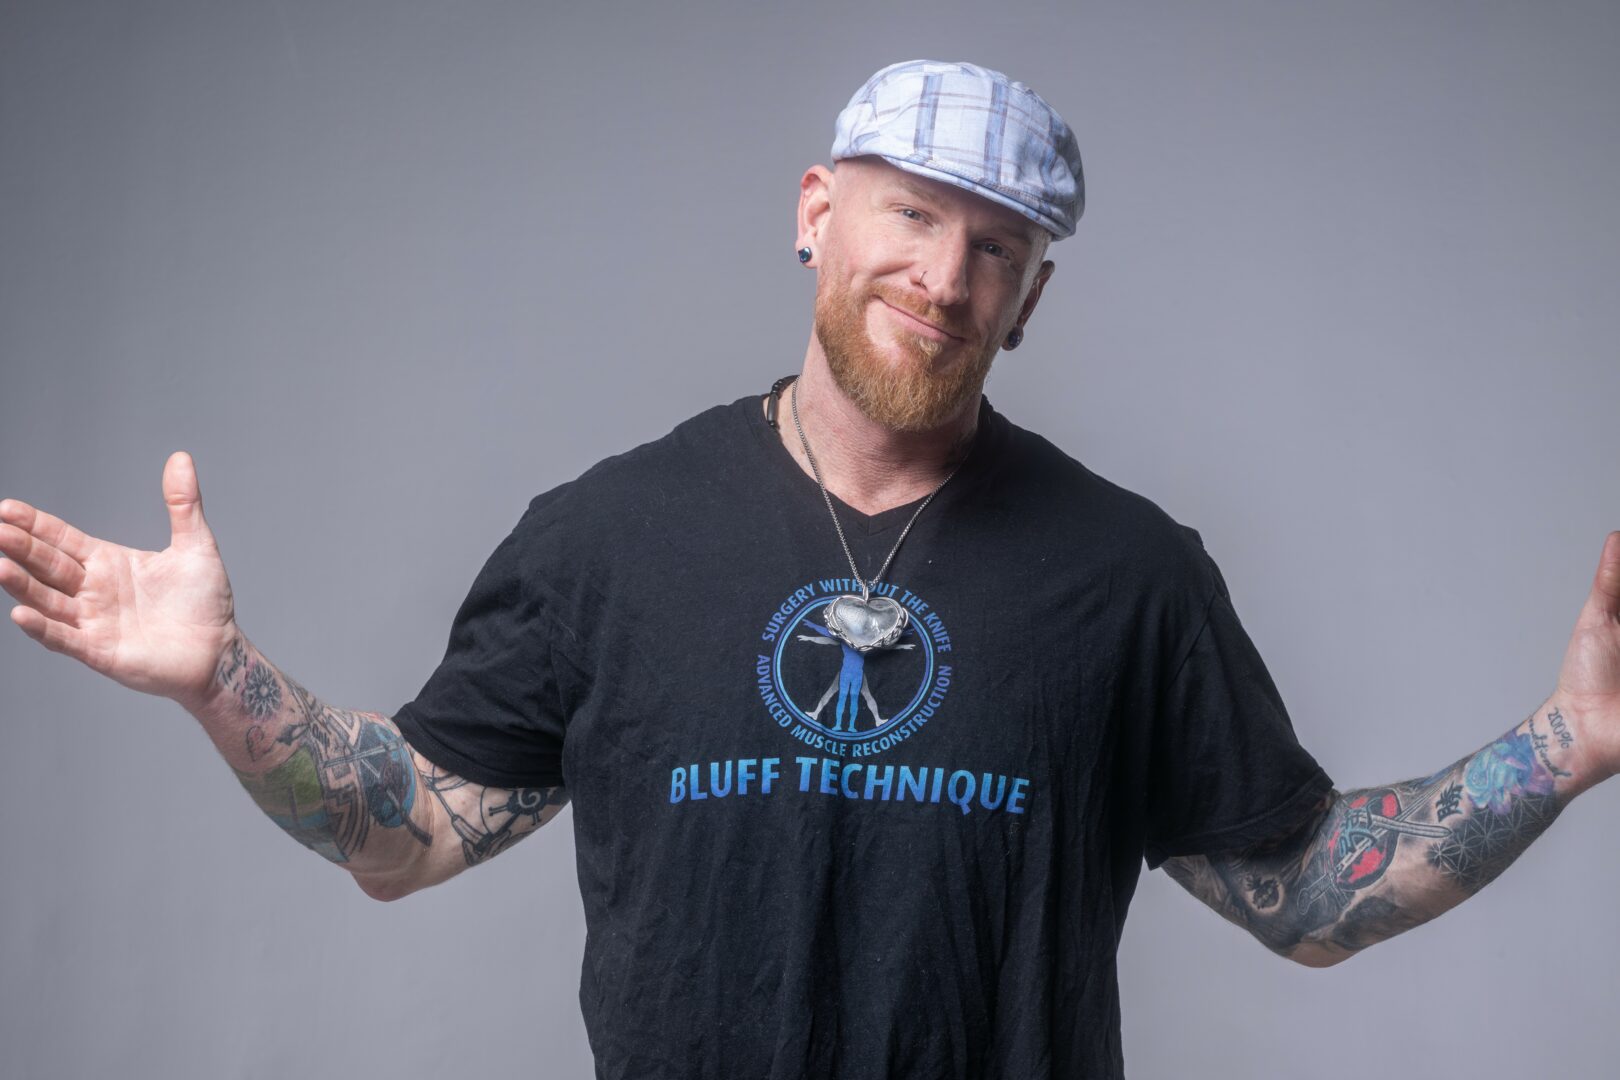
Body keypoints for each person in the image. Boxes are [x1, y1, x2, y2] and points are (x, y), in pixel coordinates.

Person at [0, 58, 1615, 1079]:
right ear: (817, 214)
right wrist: (222, 685)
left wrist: (1572, 741)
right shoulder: (609, 537)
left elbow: (1307, 896)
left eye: (997, 248)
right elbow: (405, 830)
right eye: (911, 217)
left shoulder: (1130, 577)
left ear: (1032, 299)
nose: (944, 277)